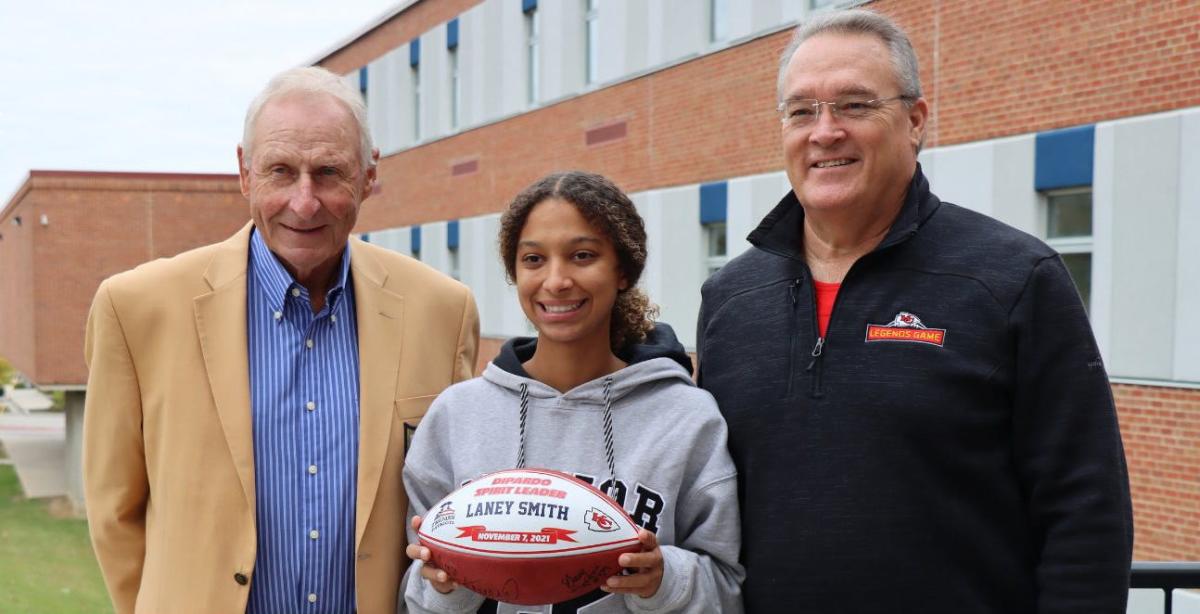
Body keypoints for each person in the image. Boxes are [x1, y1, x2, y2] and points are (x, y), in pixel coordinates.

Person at [696, 9, 1133, 613]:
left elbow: (1085, 510)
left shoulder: (1011, 278)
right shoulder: (730, 297)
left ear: (915, 120)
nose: (824, 131)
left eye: (854, 105)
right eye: (801, 111)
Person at [82, 67, 479, 614]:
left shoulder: (443, 310)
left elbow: (456, 503)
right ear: (245, 173)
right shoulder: (136, 309)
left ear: (368, 176)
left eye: (329, 172)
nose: (305, 201)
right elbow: (113, 512)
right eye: (280, 171)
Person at [401, 171, 744, 613]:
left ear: (622, 270)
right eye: (534, 259)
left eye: (582, 256)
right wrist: (447, 585)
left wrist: (663, 580)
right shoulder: (456, 415)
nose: (556, 280)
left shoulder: (684, 417)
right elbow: (416, 594)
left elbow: (726, 589)